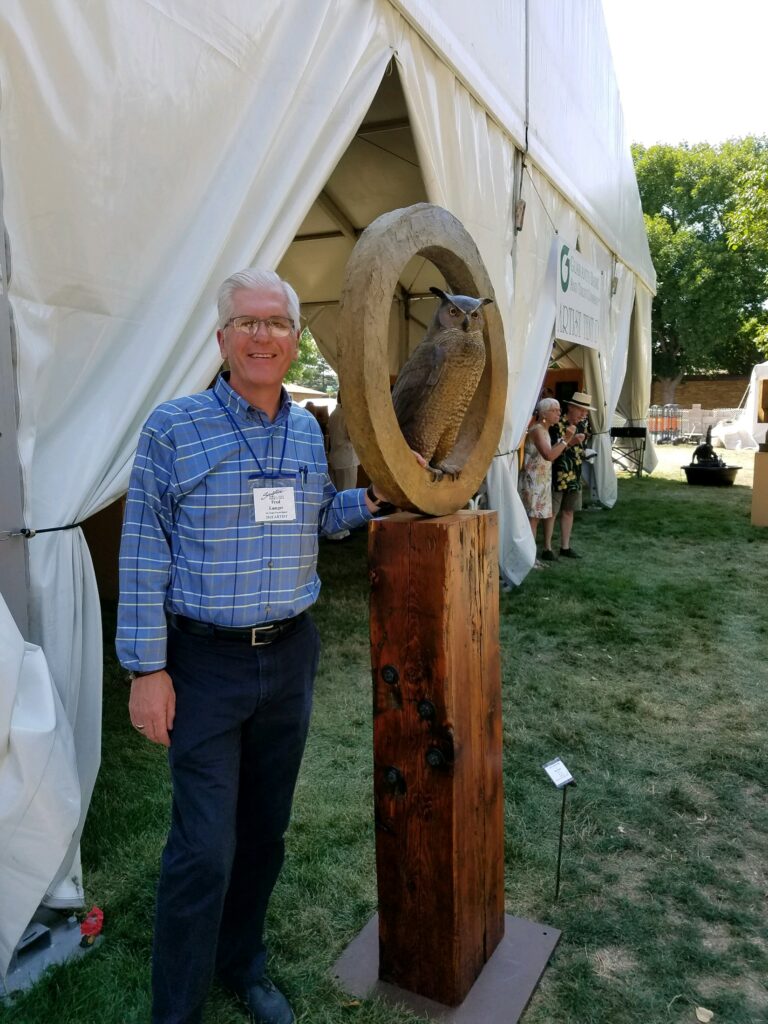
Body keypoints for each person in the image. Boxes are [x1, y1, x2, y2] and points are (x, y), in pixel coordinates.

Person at [116, 268, 396, 1024]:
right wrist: (148, 669)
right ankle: (175, 1008)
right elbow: (143, 552)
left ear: (296, 337)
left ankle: (242, 963)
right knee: (204, 847)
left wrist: (363, 503)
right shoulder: (173, 428)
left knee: (264, 833)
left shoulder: (306, 430)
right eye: (248, 322)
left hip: (289, 656)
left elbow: (312, 518)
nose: (263, 335)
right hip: (204, 664)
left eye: (277, 322)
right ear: (222, 338)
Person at [518, 397, 576, 565]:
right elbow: (549, 456)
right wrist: (566, 439)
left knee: (534, 520)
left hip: (541, 481)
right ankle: (528, 558)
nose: (559, 413)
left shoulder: (544, 429)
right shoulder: (537, 429)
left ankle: (531, 557)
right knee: (532, 521)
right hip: (533, 482)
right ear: (544, 414)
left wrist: (567, 442)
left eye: (559, 410)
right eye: (555, 410)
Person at [541, 390, 593, 560]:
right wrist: (572, 441)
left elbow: (580, 447)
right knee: (552, 512)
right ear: (570, 407)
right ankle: (547, 548)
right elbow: (552, 450)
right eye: (581, 410)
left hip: (575, 474)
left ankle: (565, 546)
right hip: (558, 474)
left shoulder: (582, 425)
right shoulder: (556, 424)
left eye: (585, 412)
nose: (583, 414)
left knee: (569, 511)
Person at [326, 392, 359, 492]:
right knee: (347, 493)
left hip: (336, 459)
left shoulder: (334, 414)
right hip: (347, 461)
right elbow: (353, 437)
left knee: (338, 493)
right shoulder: (347, 415)